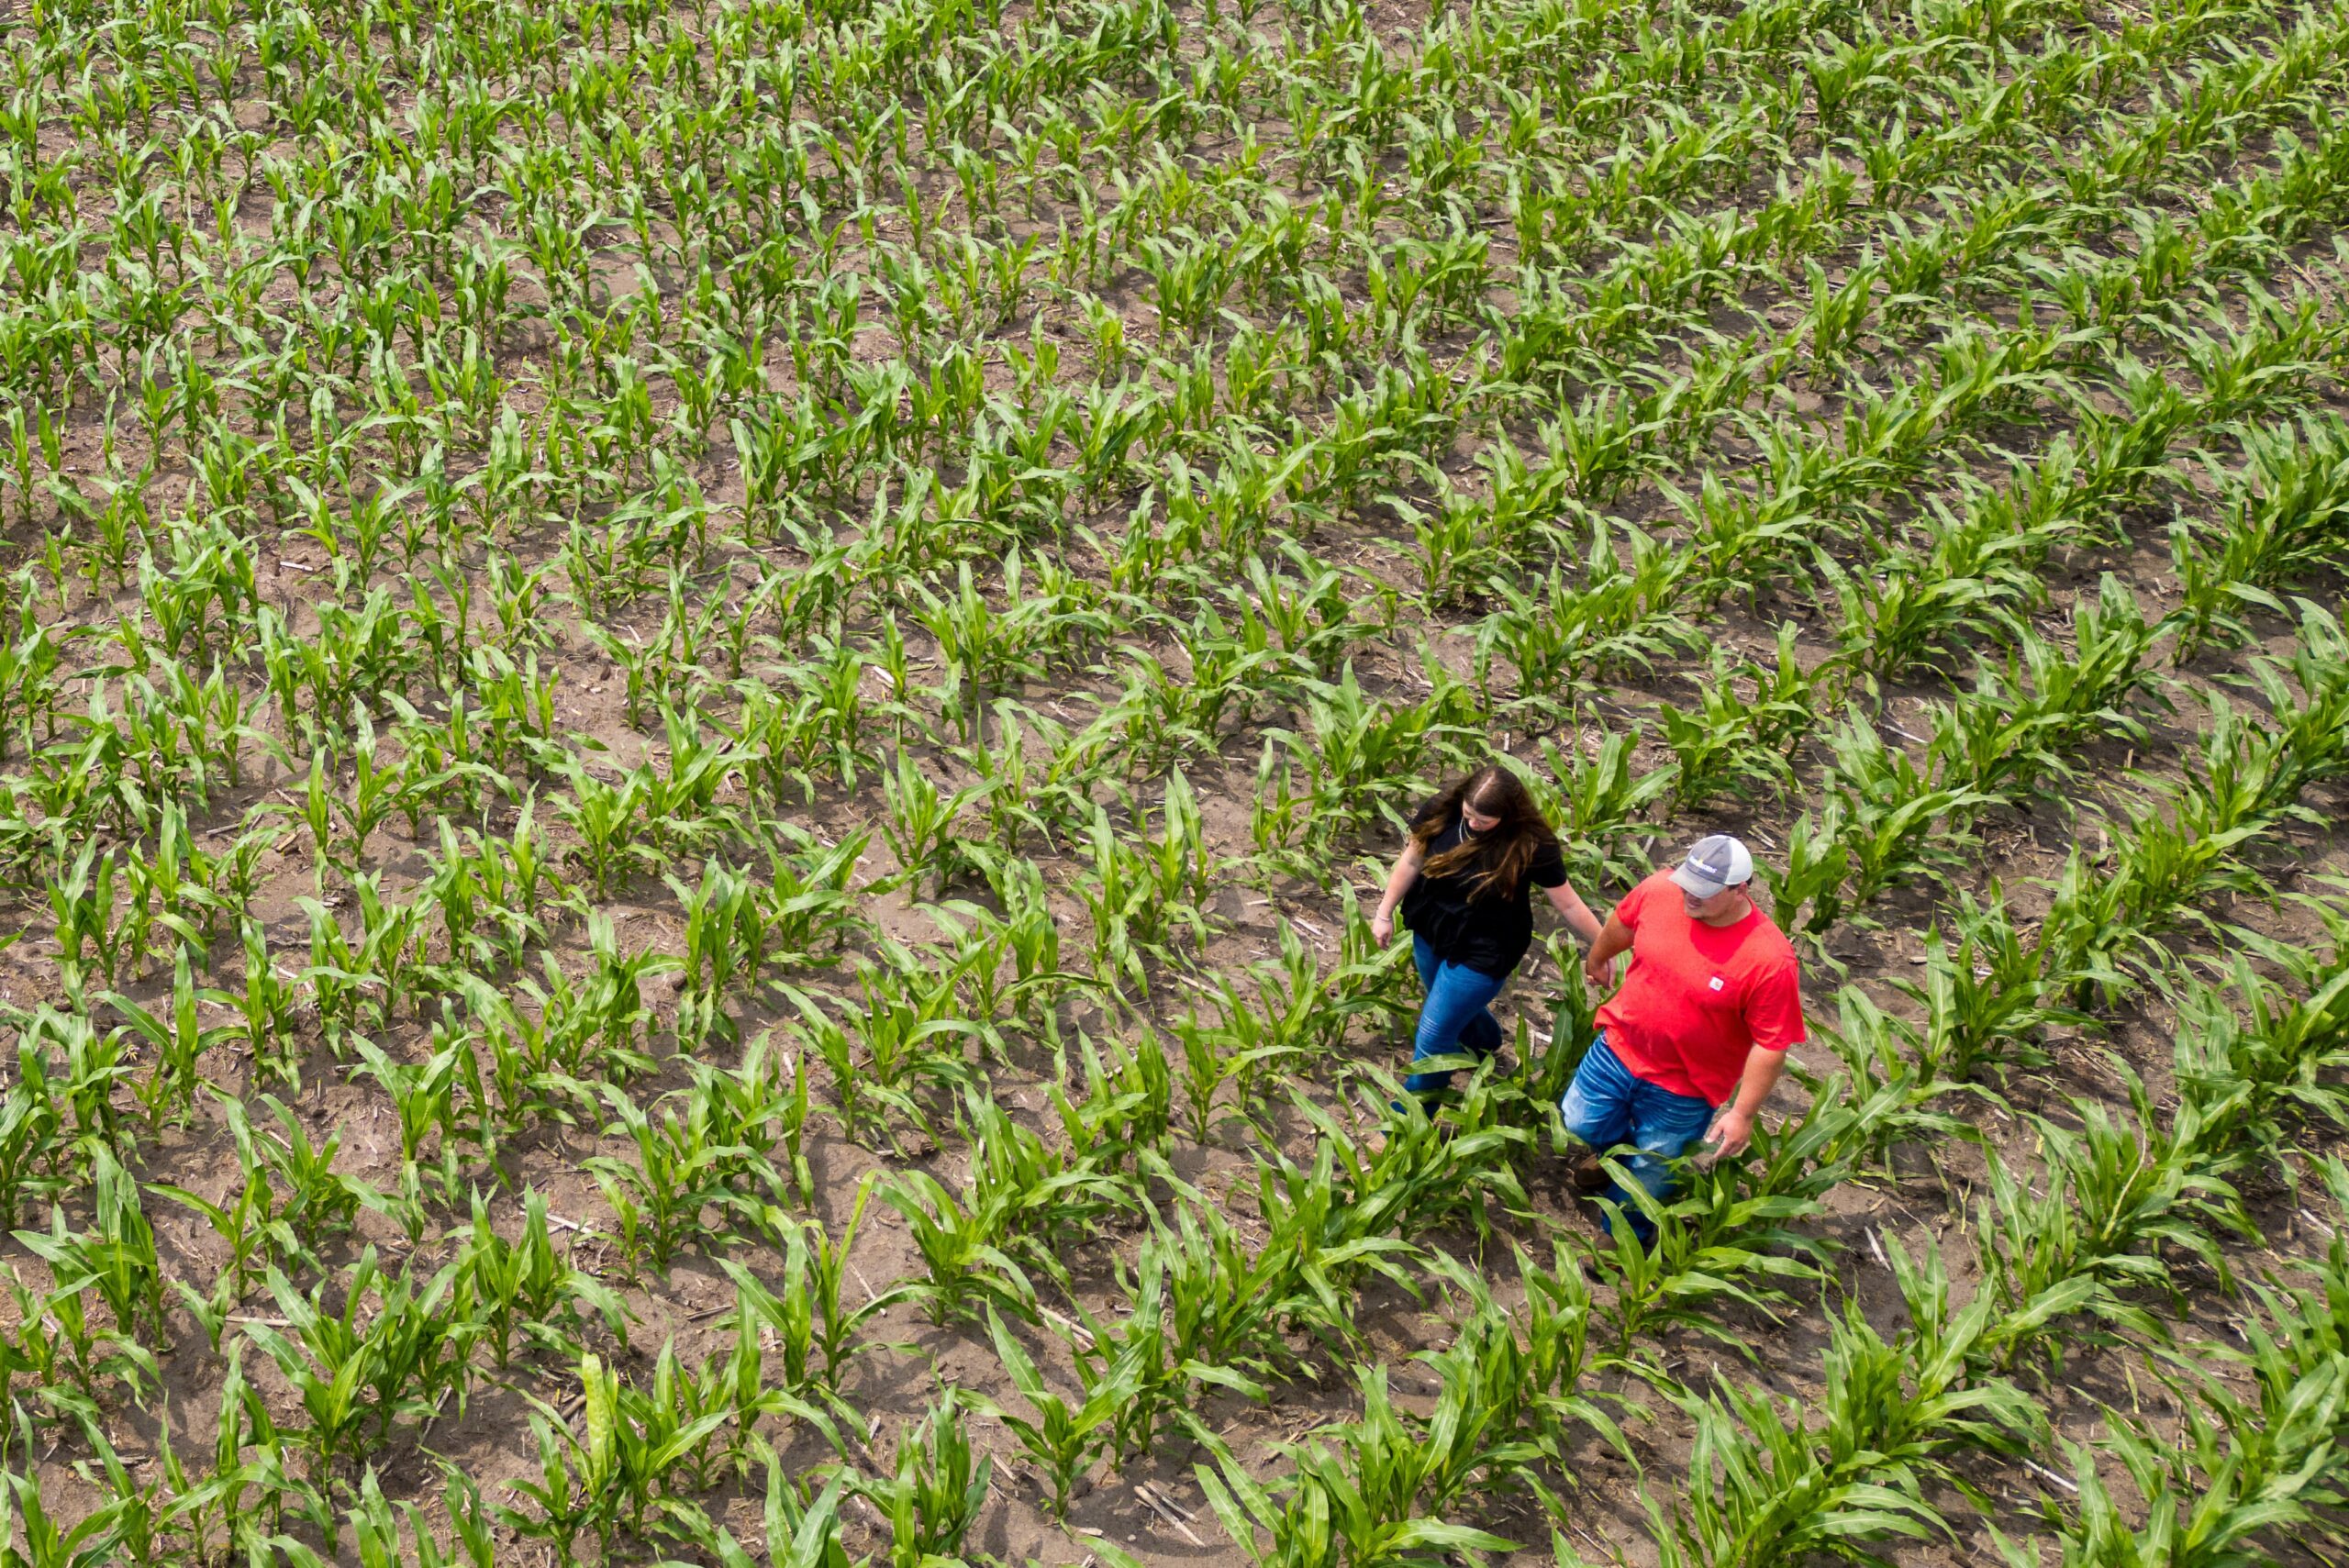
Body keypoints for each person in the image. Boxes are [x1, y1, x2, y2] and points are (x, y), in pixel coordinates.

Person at [1561, 834, 1805, 1242]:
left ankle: (1625, 1237)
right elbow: (1623, 921)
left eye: (1704, 893)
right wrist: (1598, 956)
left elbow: (1771, 1043)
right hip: (1618, 1048)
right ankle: (1614, 1158)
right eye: (1687, 883)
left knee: (1653, 1171)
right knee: (1580, 1121)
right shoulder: (1660, 890)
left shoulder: (1769, 960)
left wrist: (1742, 1114)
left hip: (1684, 1087)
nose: (1690, 896)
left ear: (1739, 890)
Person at [1370, 766, 1604, 1098]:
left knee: (1434, 1035)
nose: (1473, 824)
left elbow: (1569, 905)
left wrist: (1606, 946)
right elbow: (1411, 862)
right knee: (1442, 996)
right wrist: (1383, 913)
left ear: (1508, 814)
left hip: (1487, 945)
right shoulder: (1441, 811)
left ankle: (1413, 1119)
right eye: (1469, 814)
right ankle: (1484, 1040)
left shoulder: (1531, 843)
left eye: (1484, 820)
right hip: (1431, 928)